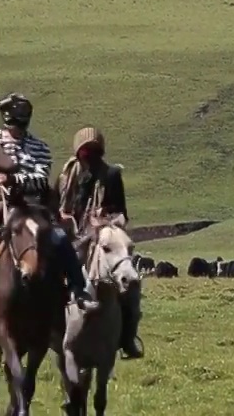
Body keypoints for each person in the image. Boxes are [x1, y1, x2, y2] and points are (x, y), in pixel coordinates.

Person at [0, 93, 99, 332]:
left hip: (33, 210)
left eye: (21, 123)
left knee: (61, 240)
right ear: (6, 120)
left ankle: (77, 289)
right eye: (13, 123)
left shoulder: (40, 148)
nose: (17, 129)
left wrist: (13, 179)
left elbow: (41, 180)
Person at [57, 126, 144, 360]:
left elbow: (121, 213)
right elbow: (58, 209)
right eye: (85, 151)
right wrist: (62, 218)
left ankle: (128, 337)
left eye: (94, 151)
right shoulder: (66, 178)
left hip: (103, 237)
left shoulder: (112, 175)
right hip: (73, 240)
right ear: (78, 152)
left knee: (131, 285)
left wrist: (104, 218)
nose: (90, 156)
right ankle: (48, 329)